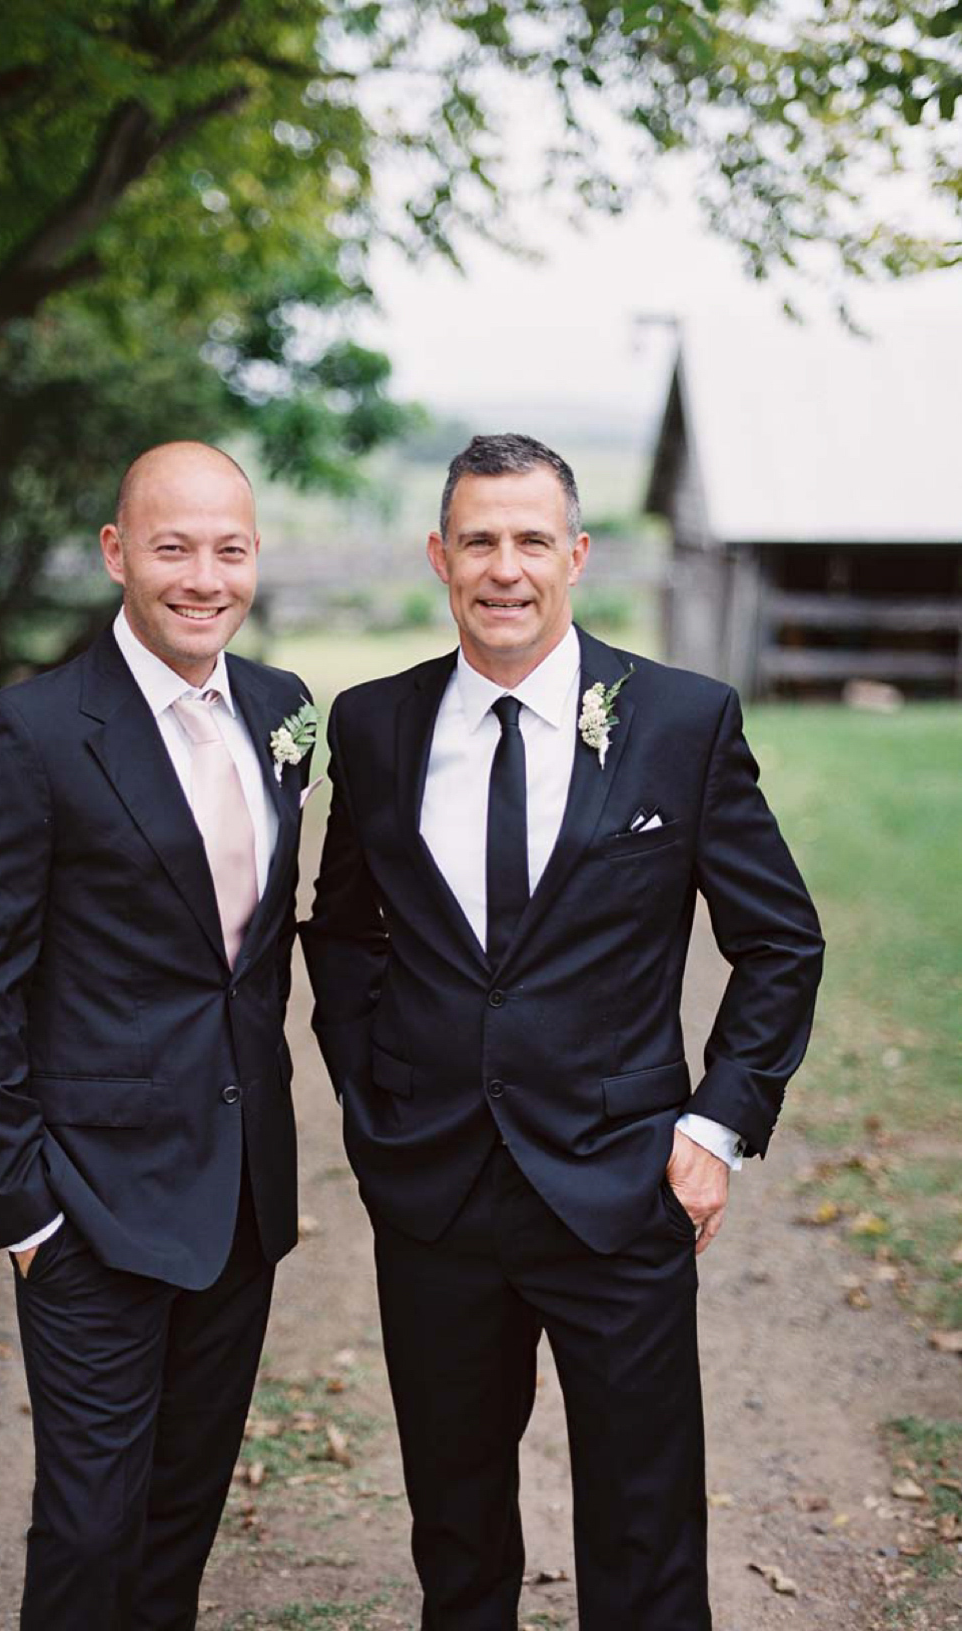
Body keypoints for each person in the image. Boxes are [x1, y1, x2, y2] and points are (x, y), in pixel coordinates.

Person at [300, 433, 824, 1631]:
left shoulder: (681, 720)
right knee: (456, 1520)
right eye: (478, 538)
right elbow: (344, 931)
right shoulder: (374, 726)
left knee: (644, 1527)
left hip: (617, 1181)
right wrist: (371, 1089)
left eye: (531, 538)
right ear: (440, 555)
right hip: (432, 1188)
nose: (505, 566)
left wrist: (717, 1120)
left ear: (576, 554)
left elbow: (781, 940)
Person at [0, 441, 314, 1631]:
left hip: (242, 1196)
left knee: (181, 1517)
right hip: (88, 1202)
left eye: (230, 549)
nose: (204, 577)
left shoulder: (283, 709)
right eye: (173, 546)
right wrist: (23, 1211)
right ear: (116, 554)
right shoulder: (29, 732)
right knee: (92, 1526)